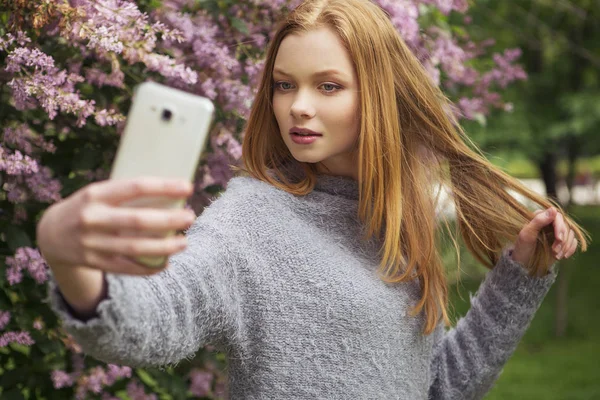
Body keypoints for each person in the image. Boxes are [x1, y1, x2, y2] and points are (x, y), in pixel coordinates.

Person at [38, 0, 587, 398]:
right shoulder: (250, 218)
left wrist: (523, 271)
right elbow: (152, 320)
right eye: (284, 84)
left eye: (327, 86)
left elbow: (440, 385)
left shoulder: (396, 226)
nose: (298, 106)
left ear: (377, 95)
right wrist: (69, 261)